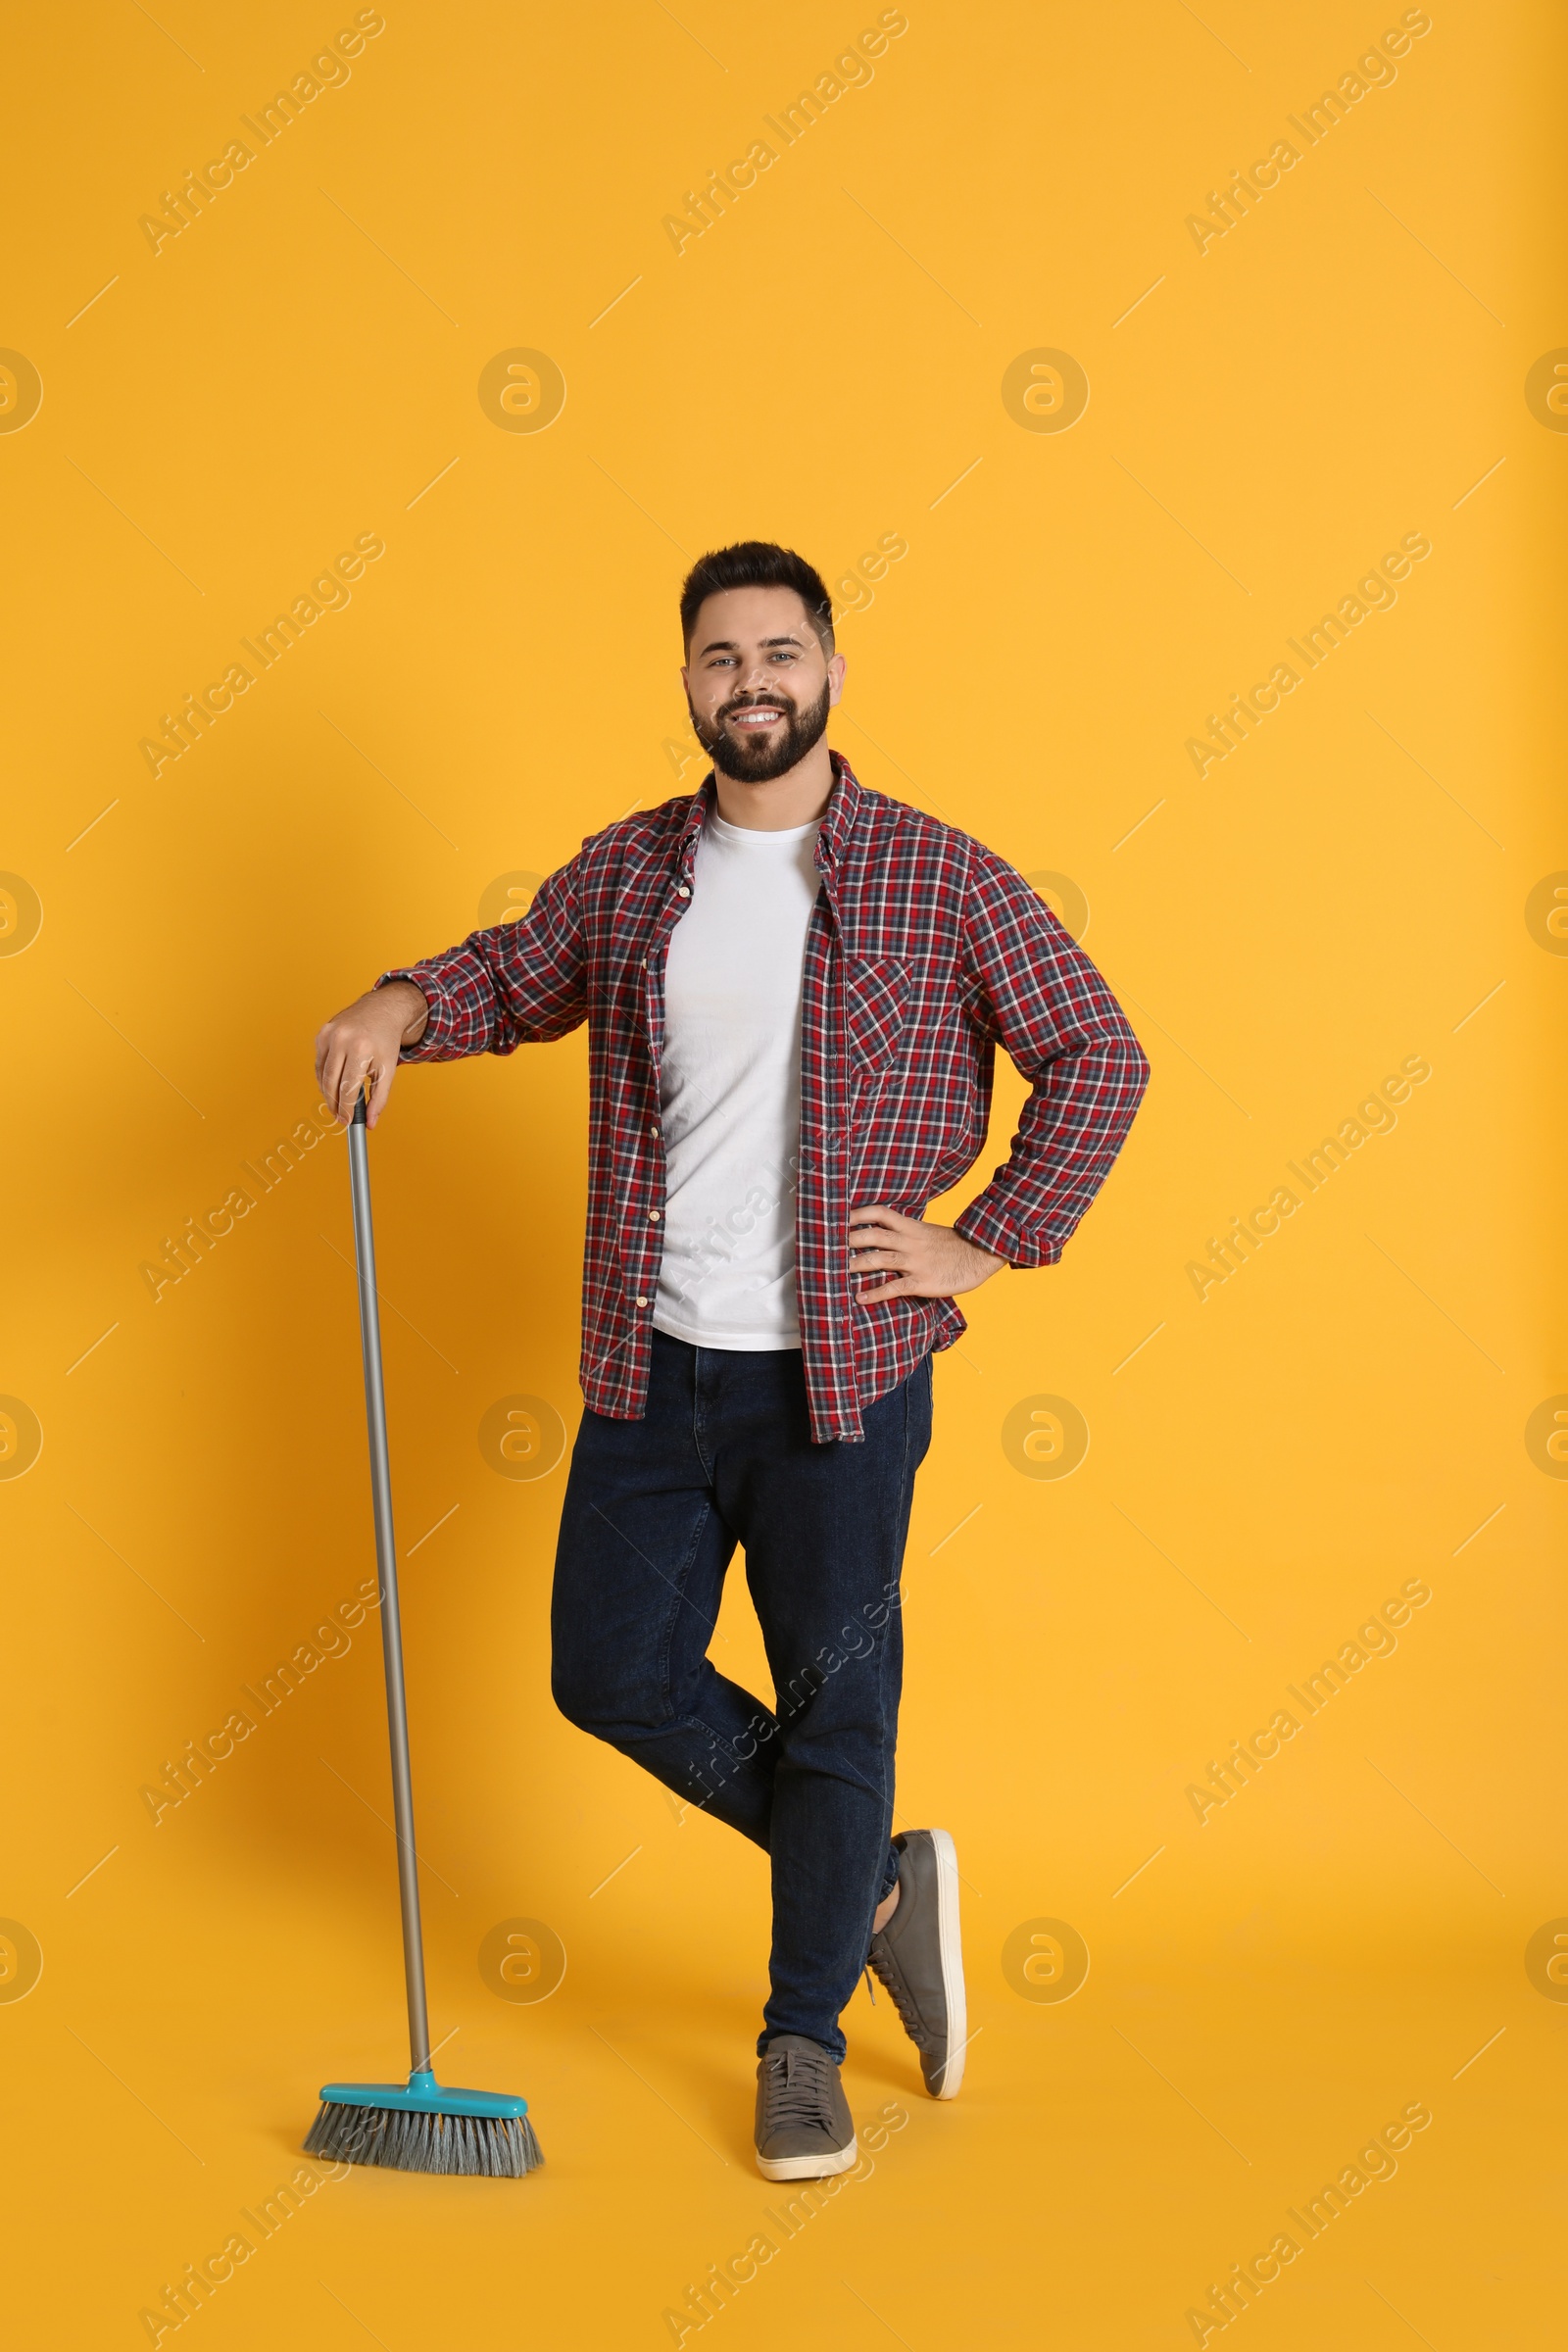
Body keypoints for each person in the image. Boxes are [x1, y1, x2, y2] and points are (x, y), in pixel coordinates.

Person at [315, 540, 1150, 2180]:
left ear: (831, 669)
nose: (750, 682)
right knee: (609, 1670)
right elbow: (517, 972)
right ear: (688, 681)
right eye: (719, 658)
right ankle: (881, 1894)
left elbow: (1098, 1056)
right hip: (655, 1359)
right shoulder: (634, 874)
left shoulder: (939, 875)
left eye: (780, 652)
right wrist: (401, 1005)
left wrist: (989, 1240)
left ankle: (801, 2041)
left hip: (842, 1380)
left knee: (841, 1710)